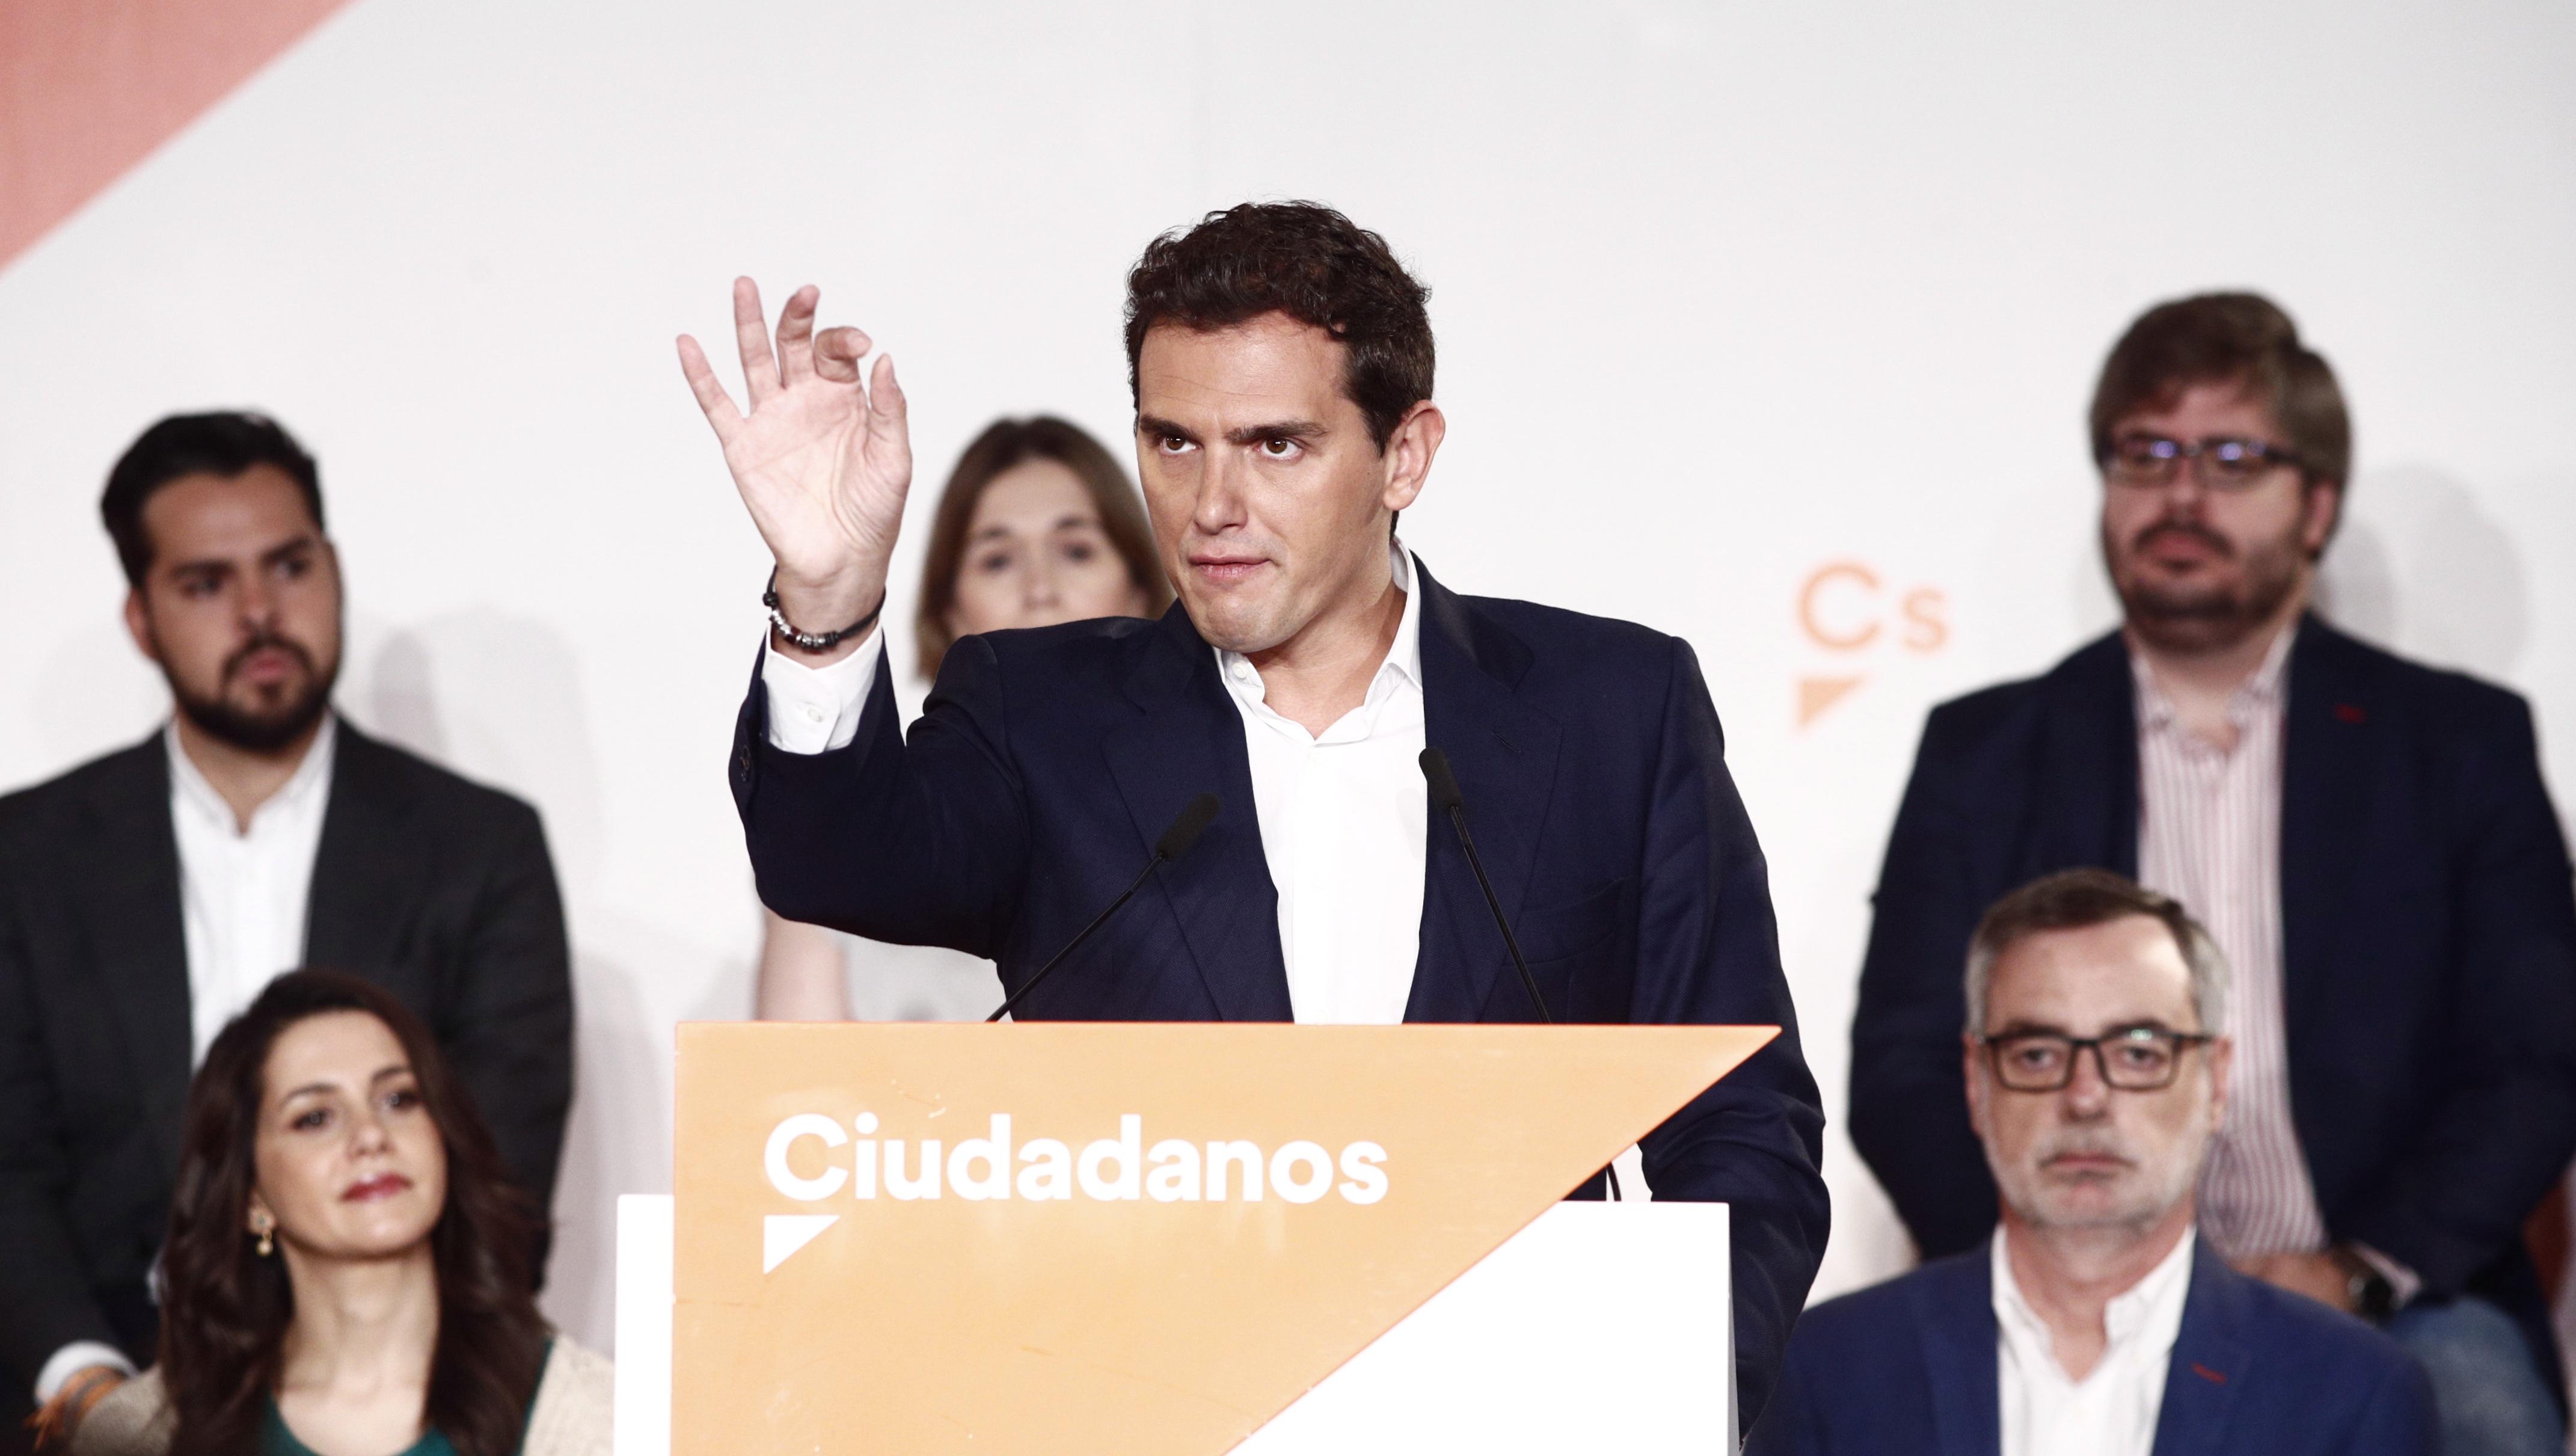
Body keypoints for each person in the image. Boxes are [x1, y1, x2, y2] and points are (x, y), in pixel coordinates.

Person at [678, 200, 1829, 1429]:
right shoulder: (1043, 713)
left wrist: (1677, 1394)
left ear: (1405, 455)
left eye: (1275, 446)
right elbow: (833, 863)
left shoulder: (1610, 710)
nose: (1210, 503)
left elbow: (1742, 1117)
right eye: (1173, 443)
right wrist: (829, 599)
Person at [1848, 293, 2576, 1451]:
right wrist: (2058, 1261)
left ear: (2316, 504)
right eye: (2147, 453)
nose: (2181, 494)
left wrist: (2358, 1274)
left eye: (2231, 457)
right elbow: (1902, 1064)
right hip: (2057, 1269)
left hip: (2385, 1289)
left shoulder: (2453, 744)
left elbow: (2533, 1063)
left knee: (2480, 1418)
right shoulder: (1987, 749)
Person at [0, 414, 574, 1448]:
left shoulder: (478, 846)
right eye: (207, 583)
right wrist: (94, 1397)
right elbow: (6, 1162)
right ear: (141, 615)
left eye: (288, 565)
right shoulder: (27, 855)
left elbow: (500, 1172)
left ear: (334, 568)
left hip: (407, 1399)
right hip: (92, 1393)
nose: (261, 612)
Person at [1755, 870, 2433, 1456]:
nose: (2085, 1098)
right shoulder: (1828, 1371)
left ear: (2217, 1081)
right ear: (1975, 1081)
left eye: (2138, 1052)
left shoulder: (2353, 1392)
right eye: (2037, 1054)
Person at [63, 969, 610, 1456]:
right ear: (251, 1192)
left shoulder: (600, 1416)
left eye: (399, 1099)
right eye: (316, 1117)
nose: (371, 1136)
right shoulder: (140, 1433)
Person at [755, 415, 1171, 1022]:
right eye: (998, 560)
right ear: (948, 611)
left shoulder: (1209, 810)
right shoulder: (860, 841)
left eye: (1076, 550)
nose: (1039, 588)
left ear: (1141, 590)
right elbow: (792, 1101)